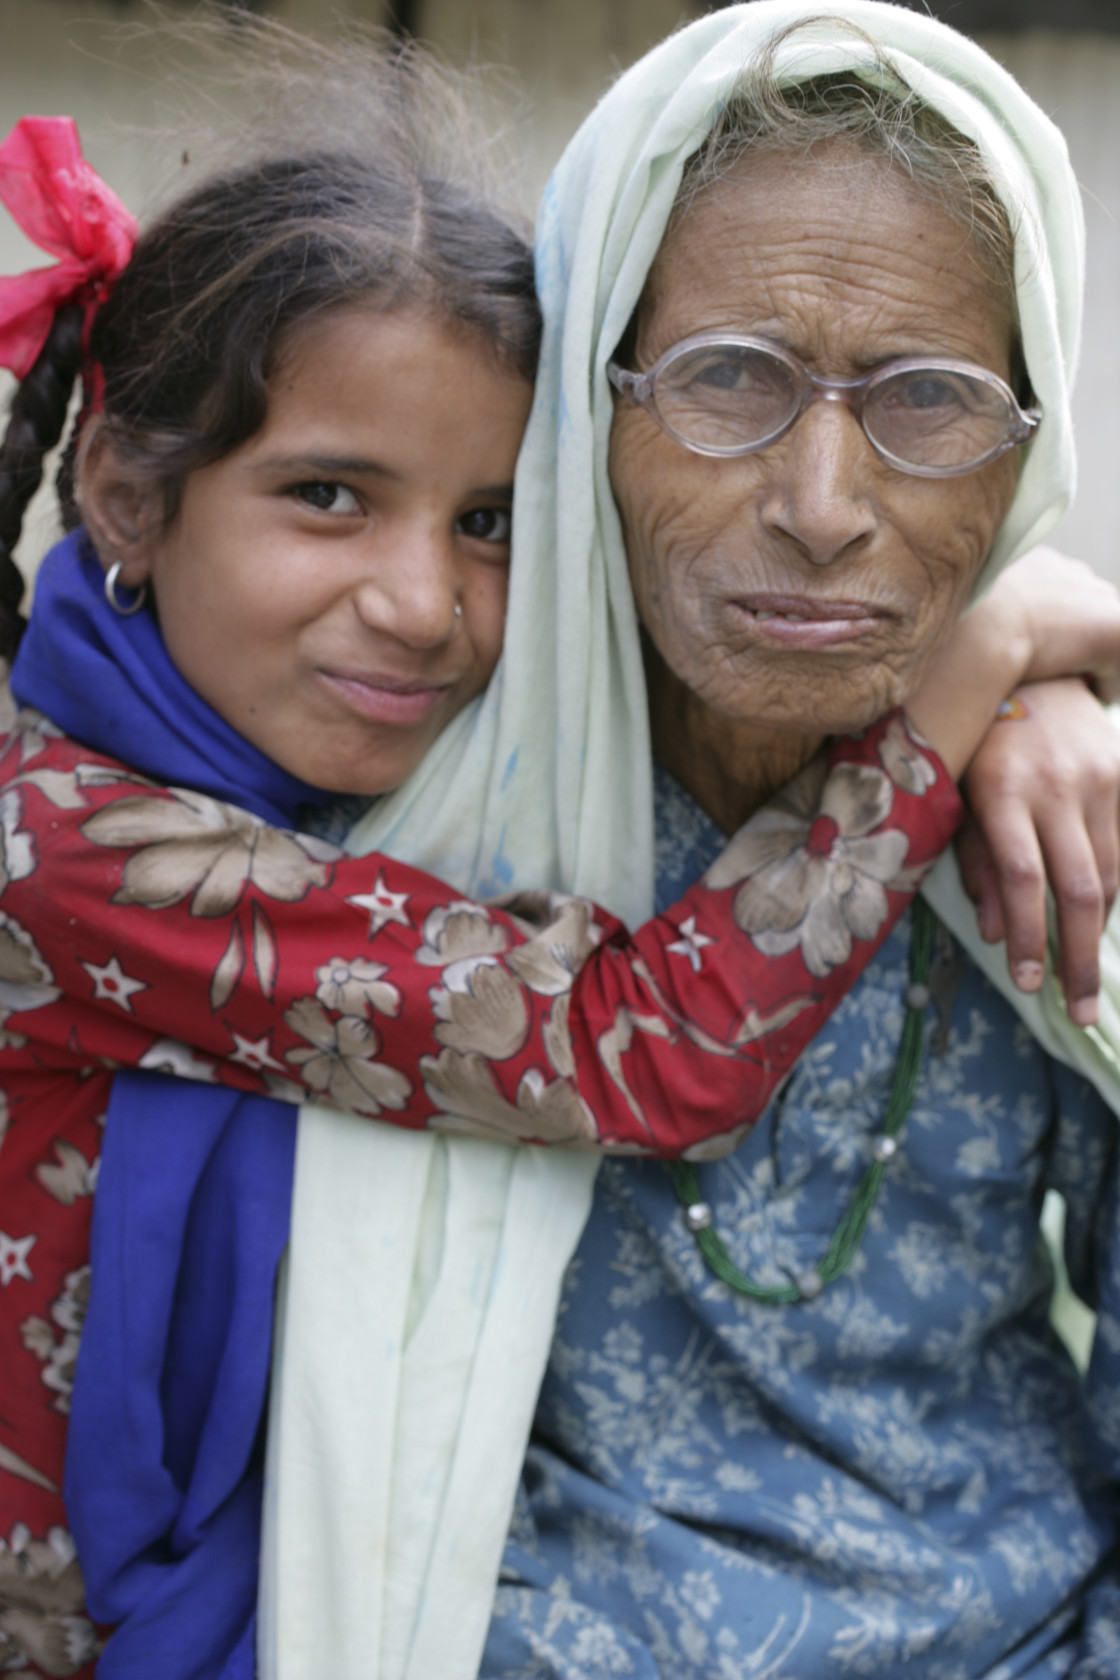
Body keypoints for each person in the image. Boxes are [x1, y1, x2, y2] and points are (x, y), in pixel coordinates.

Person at [2, 43, 1105, 1678]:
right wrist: (979, 665)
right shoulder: (176, 822)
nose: (425, 604)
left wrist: (1041, 687)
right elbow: (637, 1045)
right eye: (729, 376)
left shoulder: (404, 745)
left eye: (492, 520)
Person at [402, 5, 1120, 1675]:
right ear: (589, 396)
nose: (818, 502)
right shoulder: (417, 790)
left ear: (1030, 445)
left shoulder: (1062, 819)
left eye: (931, 402)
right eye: (727, 378)